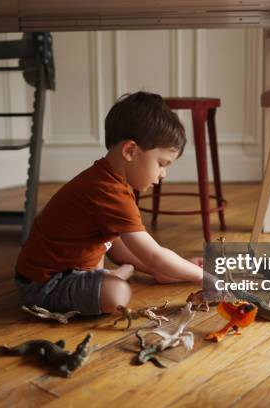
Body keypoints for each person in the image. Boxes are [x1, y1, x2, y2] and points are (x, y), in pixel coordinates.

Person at [15, 91, 203, 316]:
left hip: (56, 273)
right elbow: (153, 254)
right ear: (130, 151)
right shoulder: (108, 190)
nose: (163, 174)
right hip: (45, 285)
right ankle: (109, 279)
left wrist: (172, 268)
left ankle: (114, 276)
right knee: (117, 295)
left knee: (121, 250)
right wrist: (202, 277)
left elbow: (125, 246)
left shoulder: (108, 179)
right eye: (162, 164)